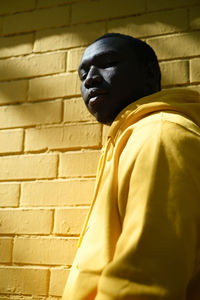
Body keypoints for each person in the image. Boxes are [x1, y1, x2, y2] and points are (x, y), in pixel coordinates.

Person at [62, 33, 200, 300]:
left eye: (107, 62)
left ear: (149, 74)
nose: (89, 78)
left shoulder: (160, 135)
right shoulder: (130, 138)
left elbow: (143, 285)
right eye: (83, 74)